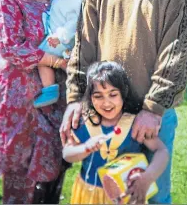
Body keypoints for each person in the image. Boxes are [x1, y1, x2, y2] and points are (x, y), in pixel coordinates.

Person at [60, 0, 187, 204]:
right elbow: (83, 47)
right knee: (110, 196)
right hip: (105, 116)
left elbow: (177, 54)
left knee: (153, 196)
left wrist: (153, 108)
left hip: (150, 120)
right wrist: (74, 100)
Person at [0, 0, 69, 204]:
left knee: (54, 170)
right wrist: (56, 61)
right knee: (21, 178)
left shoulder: (58, 0)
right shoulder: (8, 2)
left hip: (56, 101)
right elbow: (10, 48)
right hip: (18, 103)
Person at [63, 61, 169, 204]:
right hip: (90, 196)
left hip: (126, 197)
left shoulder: (135, 124)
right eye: (98, 96)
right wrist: (85, 148)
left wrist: (147, 178)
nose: (106, 103)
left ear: (123, 94)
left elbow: (162, 151)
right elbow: (67, 154)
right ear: (90, 97)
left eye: (113, 94)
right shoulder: (83, 123)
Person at [34, 0, 82, 107]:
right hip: (60, 42)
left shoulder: (75, 1)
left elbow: (74, 24)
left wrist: (58, 37)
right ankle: (76, 89)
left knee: (40, 58)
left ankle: (50, 90)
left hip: (62, 42)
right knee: (63, 65)